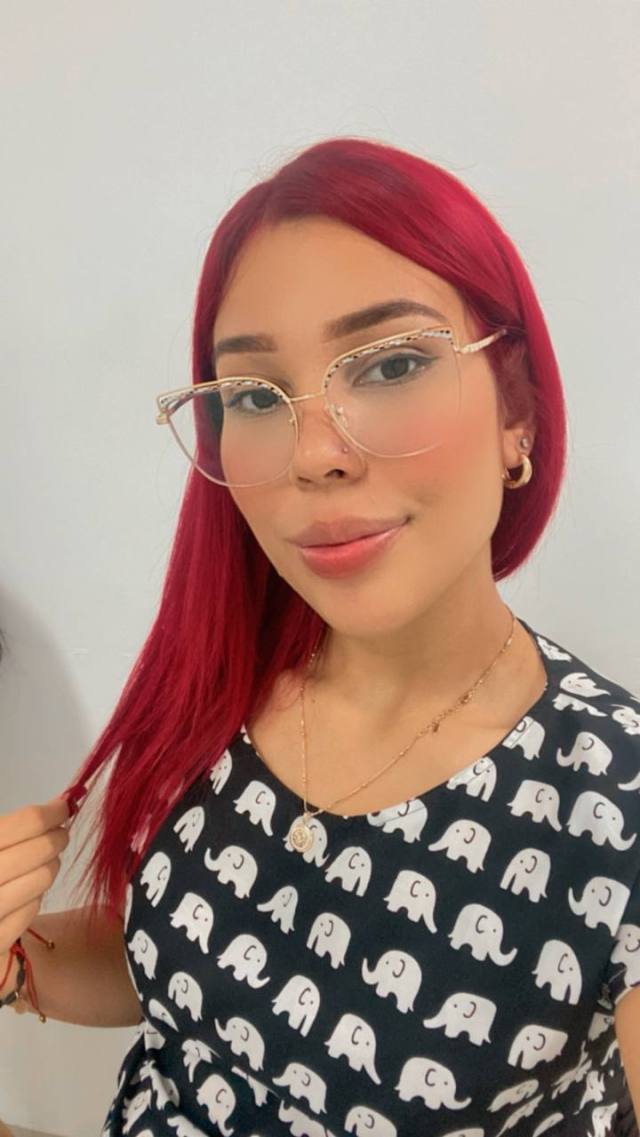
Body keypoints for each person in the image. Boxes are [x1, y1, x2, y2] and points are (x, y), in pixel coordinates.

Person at [1, 137, 639, 1136]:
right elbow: (178, 962)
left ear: (516, 407)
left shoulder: (612, 800)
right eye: (256, 395)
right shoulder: (227, 677)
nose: (313, 453)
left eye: (391, 363)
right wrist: (14, 961)